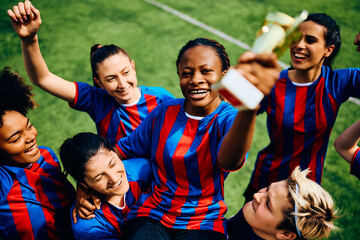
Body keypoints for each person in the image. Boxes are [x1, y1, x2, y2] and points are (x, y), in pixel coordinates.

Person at [106, 37, 280, 240]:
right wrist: (86, 185)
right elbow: (121, 151)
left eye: (206, 71)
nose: (195, 79)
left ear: (224, 75)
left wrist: (249, 107)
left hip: (204, 221)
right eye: (186, 74)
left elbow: (229, 161)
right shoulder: (163, 112)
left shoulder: (230, 118)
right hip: (152, 213)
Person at [8, 0, 174, 146]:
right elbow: (42, 78)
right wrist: (29, 39)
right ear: (99, 82)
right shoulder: (97, 100)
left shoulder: (160, 97)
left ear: (133, 67)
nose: (122, 84)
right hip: (121, 178)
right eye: (111, 79)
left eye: (125, 72)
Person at [243, 13, 360, 202]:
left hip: (305, 192)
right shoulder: (273, 82)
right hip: (266, 183)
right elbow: (233, 110)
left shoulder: (338, 82)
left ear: (328, 50)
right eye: (296, 38)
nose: (299, 45)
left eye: (311, 40)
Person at [0, 67, 75, 239]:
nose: (31, 137)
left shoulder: (46, 156)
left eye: (29, 126)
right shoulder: (3, 181)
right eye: (15, 138)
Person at [59, 132, 153, 239]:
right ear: (84, 185)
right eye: (99, 178)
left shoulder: (144, 171)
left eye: (112, 164)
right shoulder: (89, 225)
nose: (114, 178)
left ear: (114, 152)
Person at [227, 167, 338, 240]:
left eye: (267, 205)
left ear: (285, 234)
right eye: (267, 189)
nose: (257, 196)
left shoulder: (253, 216)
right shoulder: (251, 217)